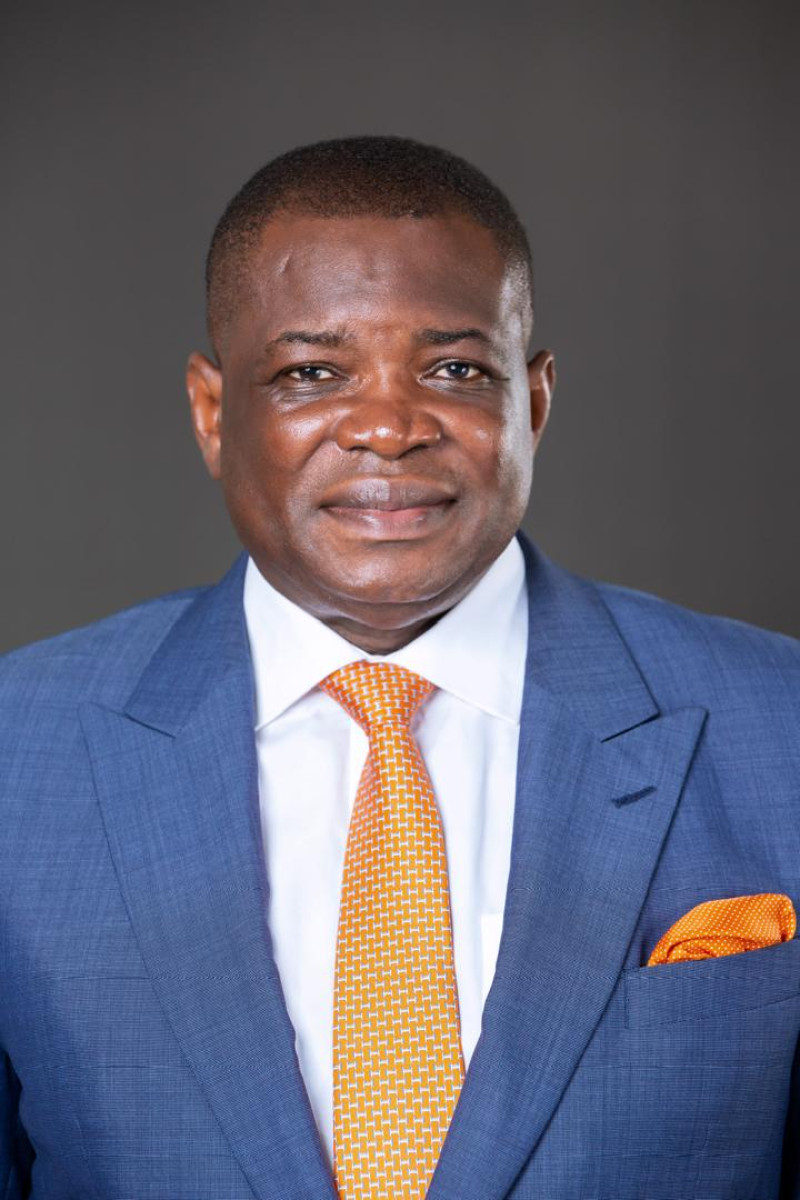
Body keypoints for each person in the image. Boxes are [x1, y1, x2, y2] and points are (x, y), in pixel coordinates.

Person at [1, 135, 799, 1200]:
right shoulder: (17, 752)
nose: (386, 427)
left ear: (533, 404)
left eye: (455, 370)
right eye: (312, 373)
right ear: (212, 412)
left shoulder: (780, 725)